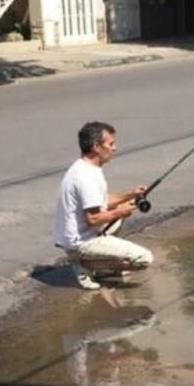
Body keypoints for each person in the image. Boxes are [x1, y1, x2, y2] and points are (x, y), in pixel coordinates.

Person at [54, 121, 153, 290]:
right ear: (96, 147)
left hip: (82, 232)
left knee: (120, 208)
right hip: (80, 242)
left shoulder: (87, 167)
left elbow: (101, 201)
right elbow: (93, 218)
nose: (115, 148)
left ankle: (102, 262)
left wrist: (131, 195)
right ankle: (85, 264)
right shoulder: (84, 177)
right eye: (111, 144)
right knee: (144, 258)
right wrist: (120, 212)